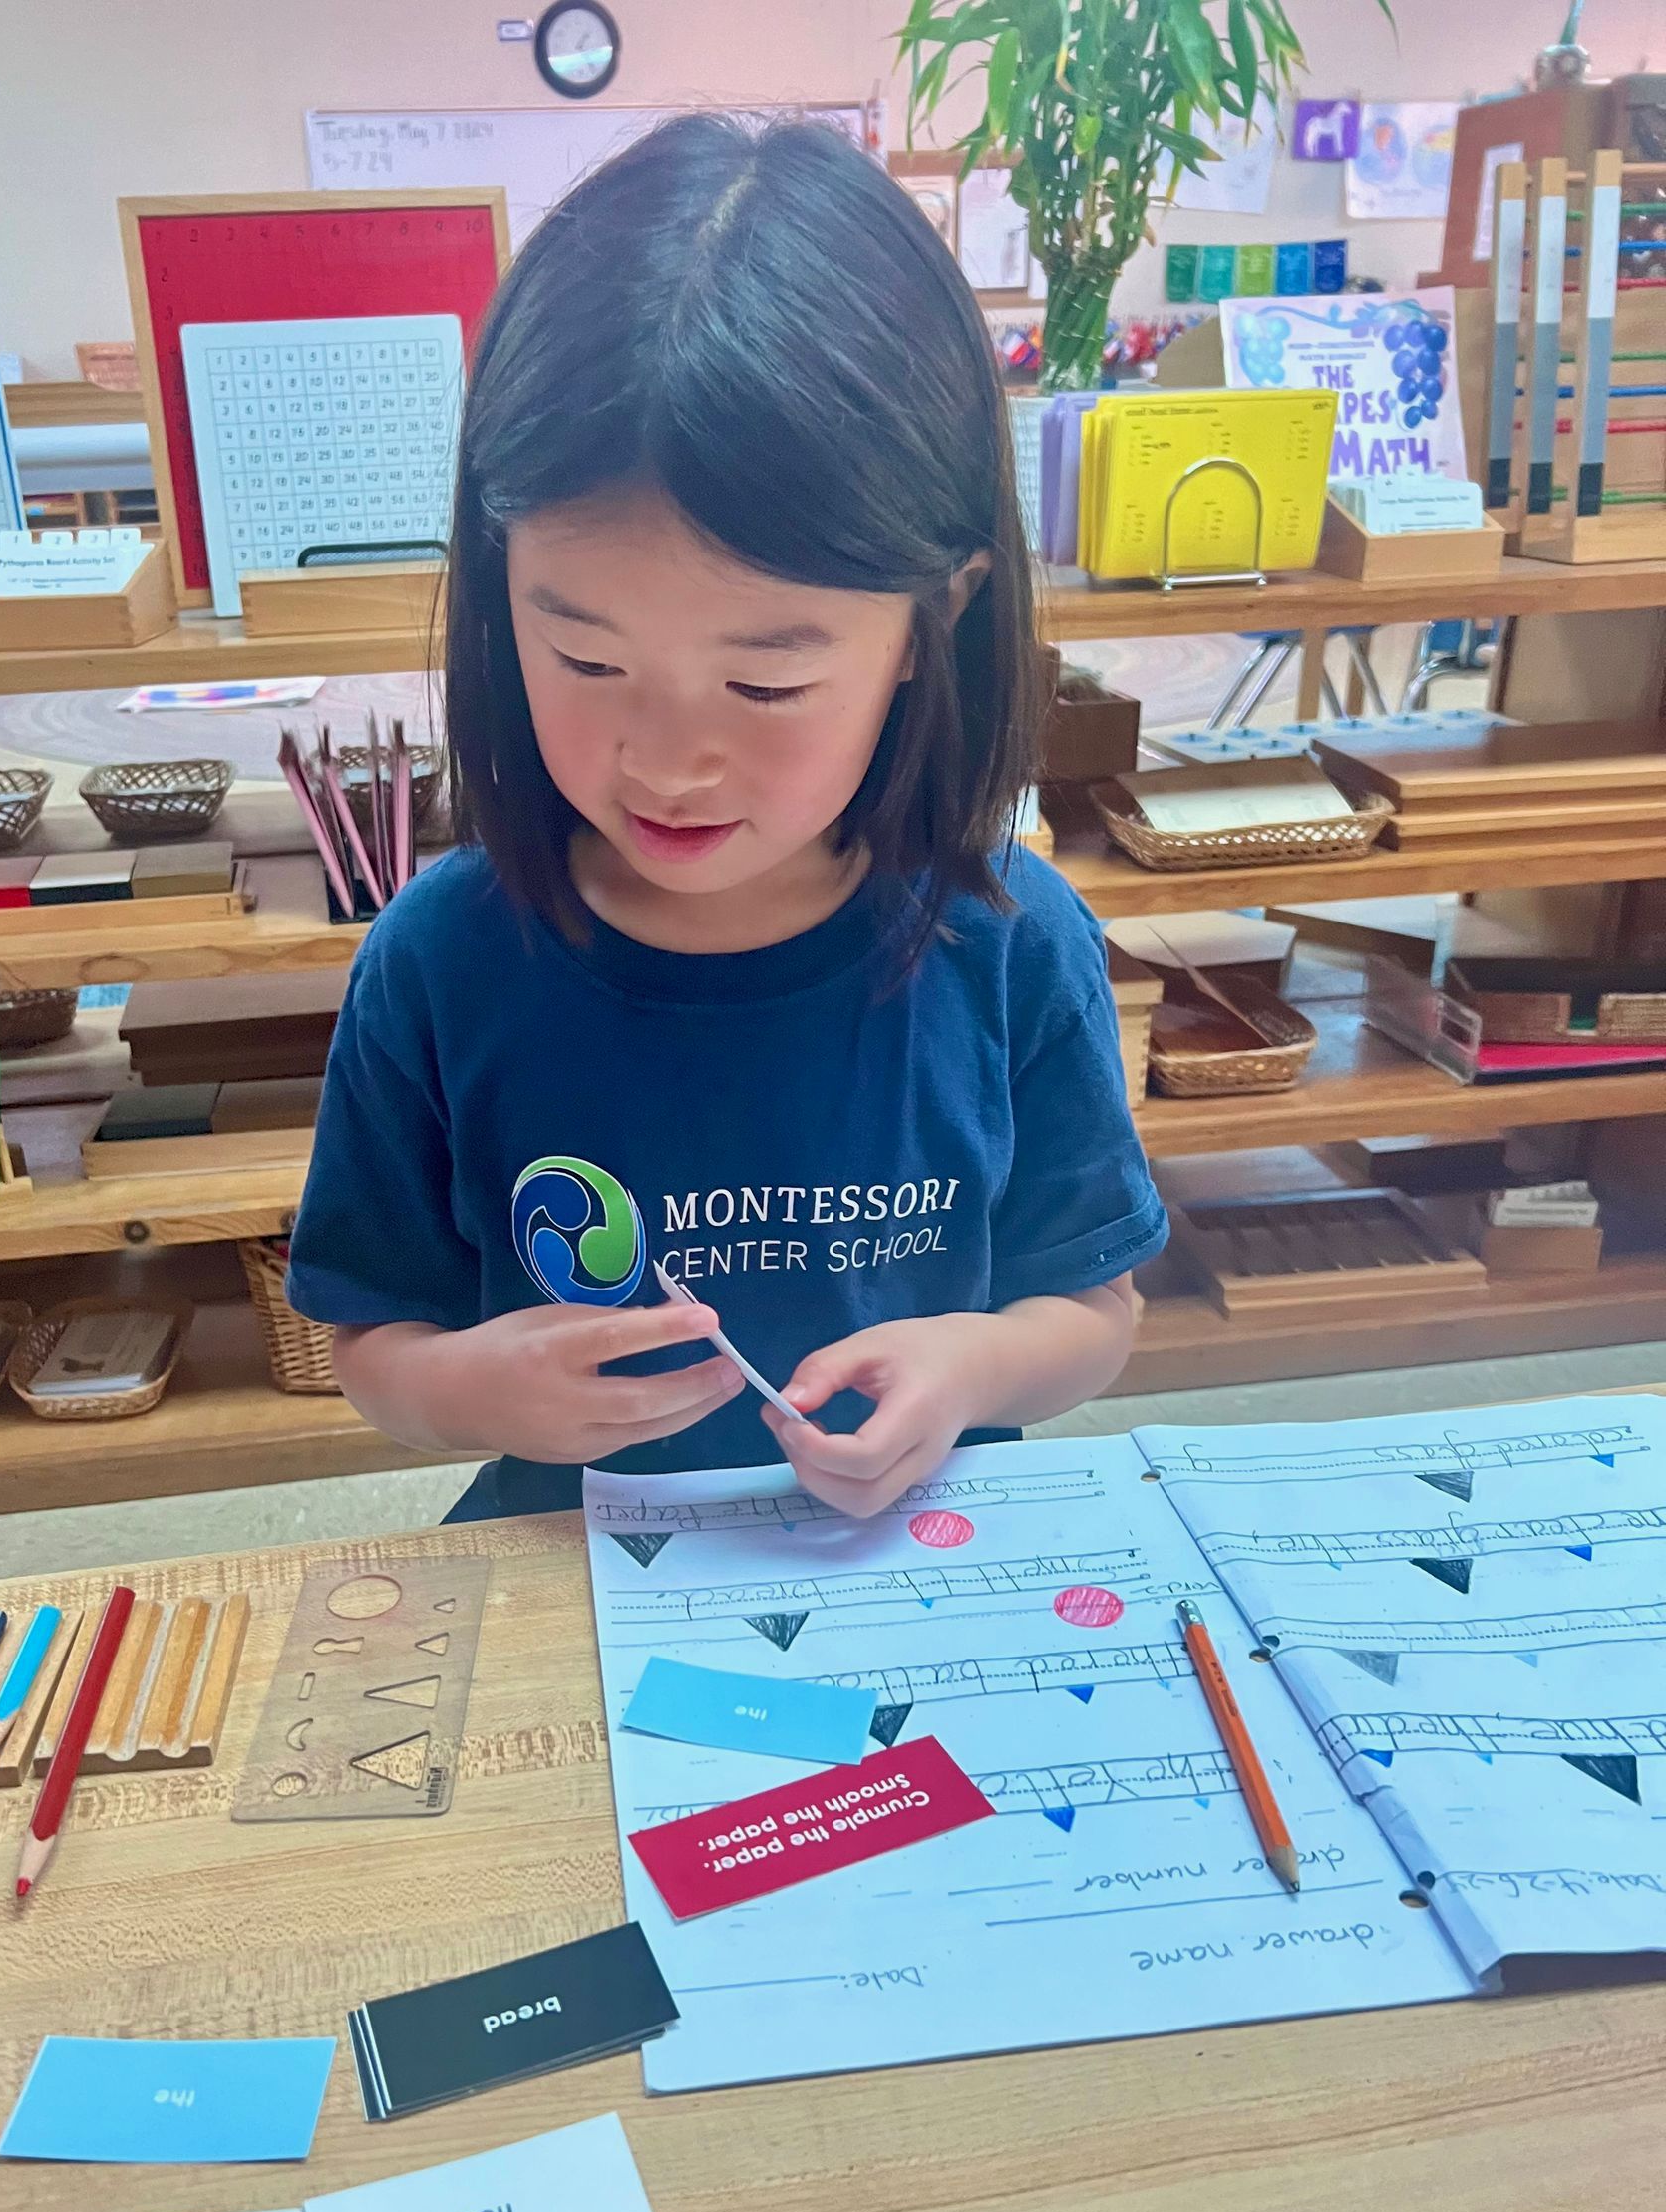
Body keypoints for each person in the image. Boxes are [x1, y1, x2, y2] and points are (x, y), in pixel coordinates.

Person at [286, 112, 1166, 1524]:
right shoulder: (442, 960)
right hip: (576, 1566)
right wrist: (474, 1392)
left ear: (933, 619)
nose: (671, 765)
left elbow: (1094, 1311)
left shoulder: (1007, 938)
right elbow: (373, 1345)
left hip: (917, 1558)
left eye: (767, 683)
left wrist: (974, 1367)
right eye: (584, 661)